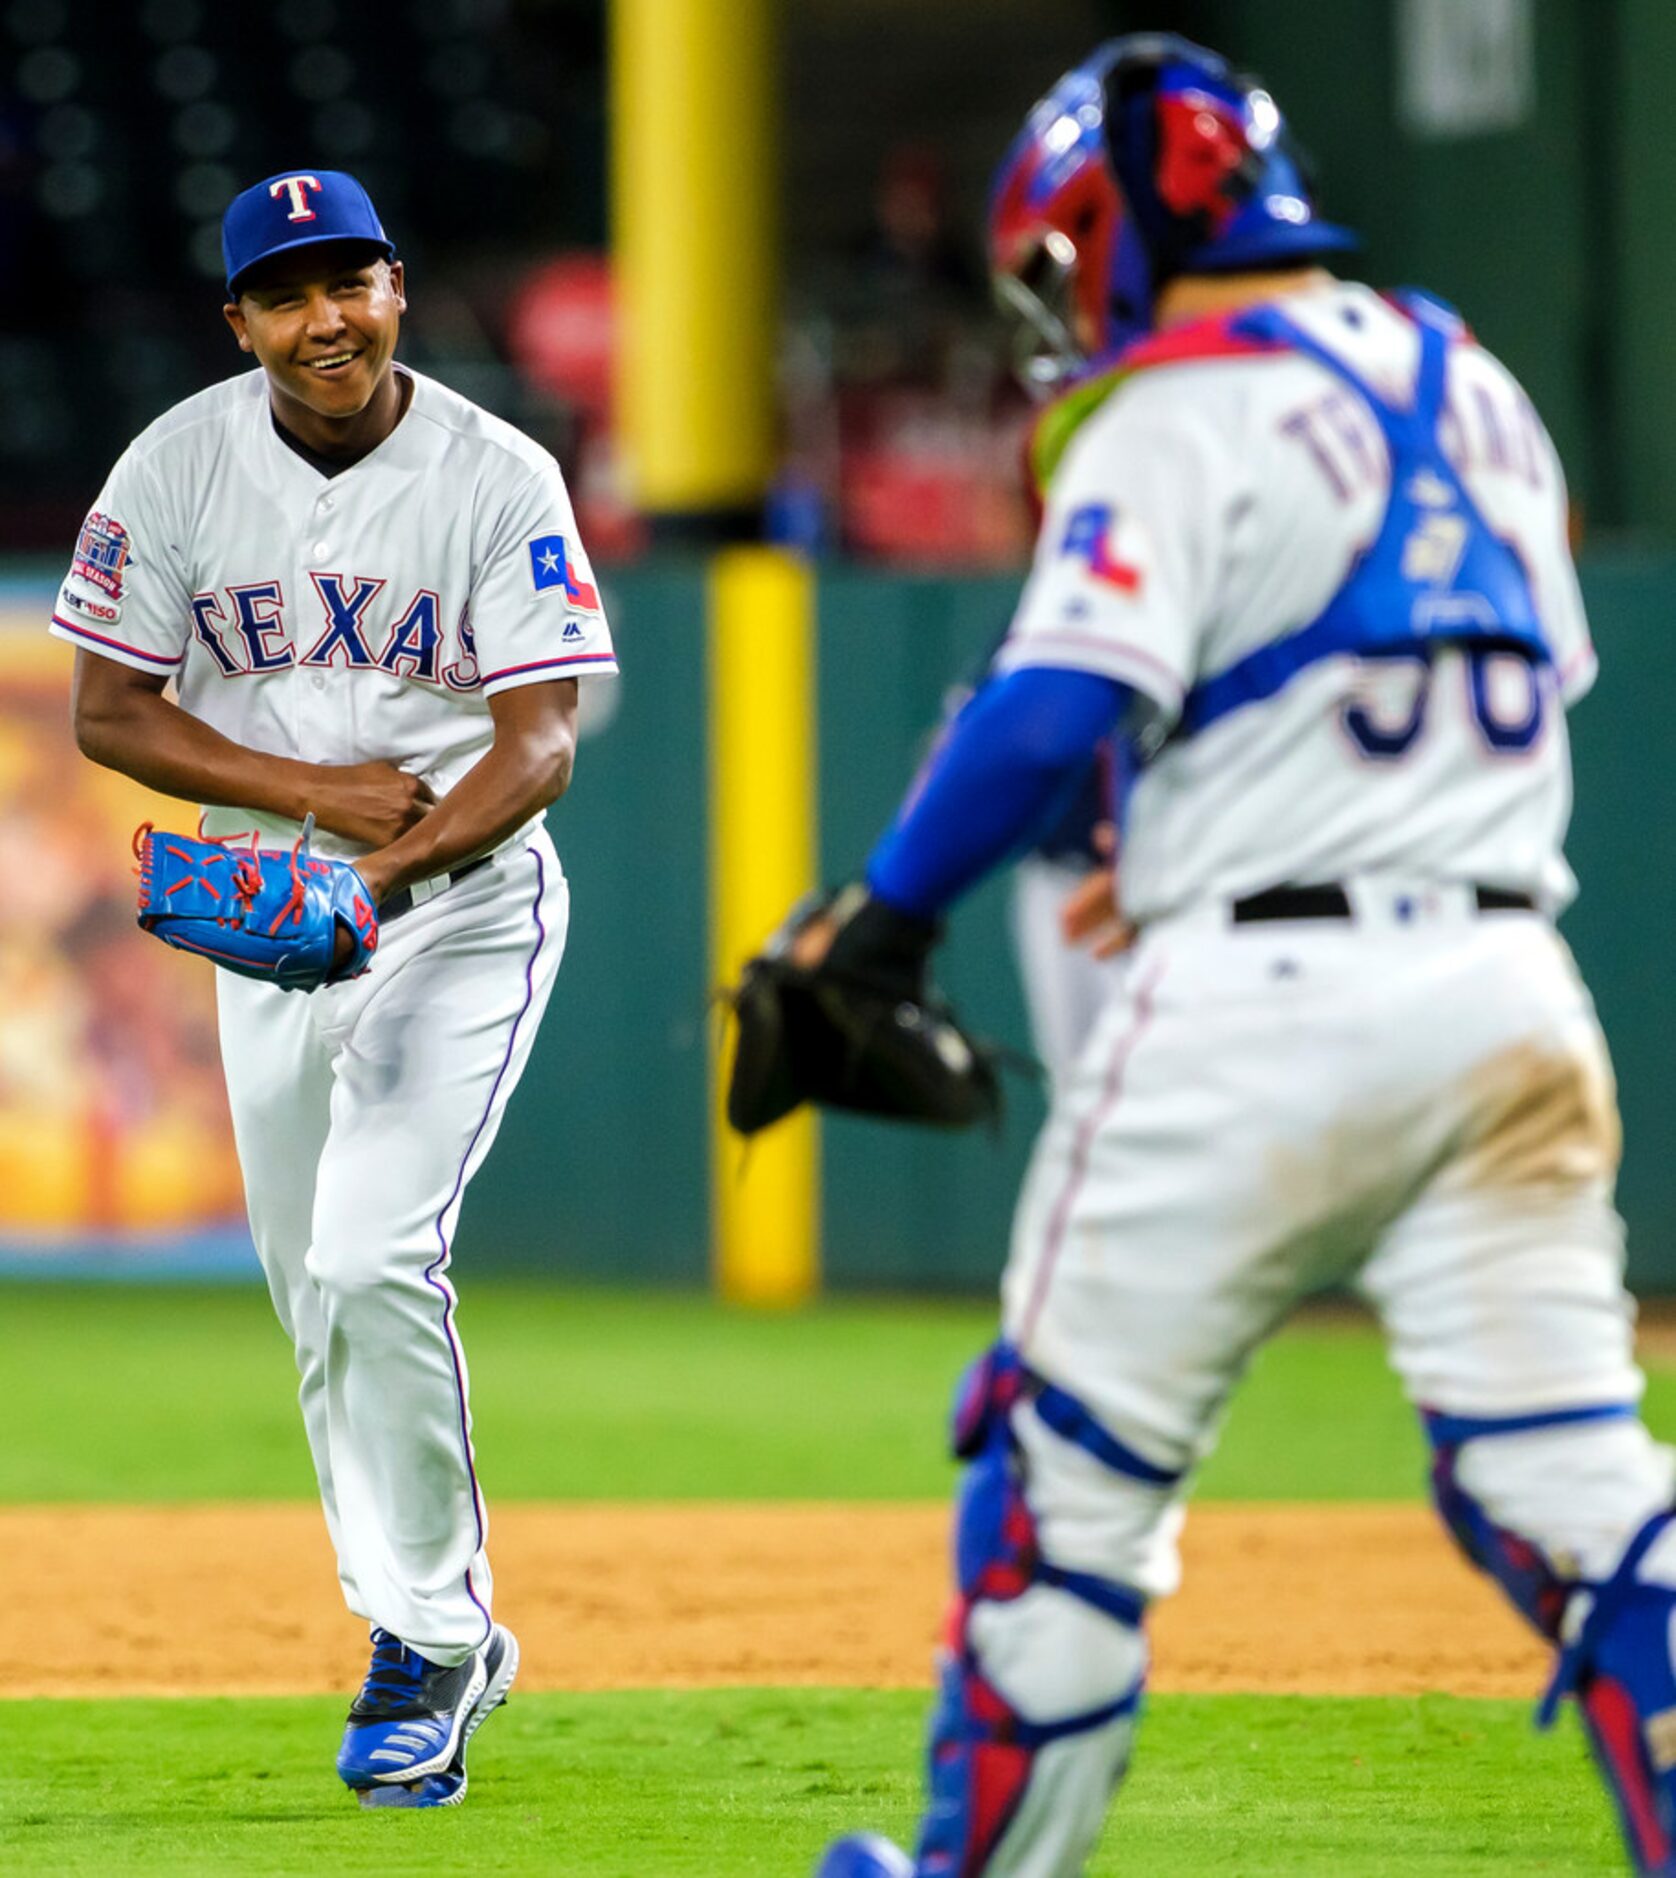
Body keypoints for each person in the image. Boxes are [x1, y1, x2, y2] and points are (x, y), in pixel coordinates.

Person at [811, 36, 1676, 1878]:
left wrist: (878, 916)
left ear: (1120, 225)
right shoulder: (1478, 381)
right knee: (1582, 1486)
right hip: (1515, 987)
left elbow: (1057, 705)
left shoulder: (1177, 406)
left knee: (1063, 1483)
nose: (1062, 310)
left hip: (1259, 1011)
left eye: (1062, 264)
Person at [52, 169, 616, 1808]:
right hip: (277, 924)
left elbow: (541, 743)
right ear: (240, 323)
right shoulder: (173, 465)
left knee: (374, 1252)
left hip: (457, 910)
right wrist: (300, 817)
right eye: (288, 294)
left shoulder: (494, 473)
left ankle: (433, 1638)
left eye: (350, 280)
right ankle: (412, 1622)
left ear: (398, 290)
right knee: (316, 1299)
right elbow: (110, 709)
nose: (327, 319)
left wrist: (366, 871)